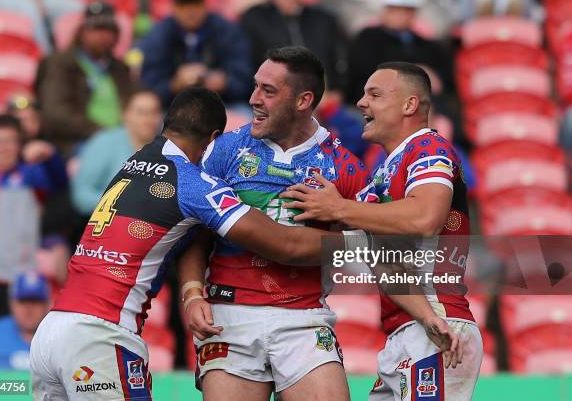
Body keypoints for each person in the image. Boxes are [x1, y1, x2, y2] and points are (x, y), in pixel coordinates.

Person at [32, 87, 439, 400]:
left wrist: (191, 292)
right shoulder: (192, 182)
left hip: (53, 330)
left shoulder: (134, 163)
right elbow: (283, 244)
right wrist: (355, 234)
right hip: (101, 333)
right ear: (212, 140)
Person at [180, 47, 461, 401]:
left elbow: (378, 250)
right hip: (228, 315)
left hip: (304, 318)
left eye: (268, 91)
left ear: (303, 100)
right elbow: (194, 232)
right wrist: (191, 294)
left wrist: (425, 314)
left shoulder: (342, 166)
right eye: (255, 87)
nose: (253, 99)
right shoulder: (224, 150)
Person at [281, 62, 482, 400]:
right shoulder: (381, 172)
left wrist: (339, 208)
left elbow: (426, 217)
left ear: (409, 105)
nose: (361, 102)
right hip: (413, 324)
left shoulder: (429, 148)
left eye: (374, 94)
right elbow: (381, 259)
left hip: (440, 323)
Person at [0, 114, 61, 338]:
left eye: (8, 141)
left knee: (4, 346)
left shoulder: (30, 175)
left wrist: (50, 154)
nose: (0, 148)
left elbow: (60, 182)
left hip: (13, 280)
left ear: (19, 146)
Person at [37, 0, 135, 157]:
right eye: (95, 29)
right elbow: (56, 114)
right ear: (81, 32)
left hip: (124, 139)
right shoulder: (60, 63)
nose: (102, 35)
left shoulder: (121, 69)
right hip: (77, 142)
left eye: (108, 29)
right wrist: (103, 133)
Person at [139, 0, 252, 108]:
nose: (190, 12)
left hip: (223, 105)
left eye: (196, 4)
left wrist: (225, 83)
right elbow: (148, 88)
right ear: (173, 7)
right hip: (173, 108)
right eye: (183, 5)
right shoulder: (159, 35)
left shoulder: (226, 31)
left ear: (205, 5)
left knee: (245, 116)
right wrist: (174, 84)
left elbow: (245, 79)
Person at [345, 0, 454, 104]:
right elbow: (364, 72)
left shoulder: (427, 45)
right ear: (385, 11)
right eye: (395, 9)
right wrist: (415, 72)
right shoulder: (367, 38)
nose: (400, 15)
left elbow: (444, 81)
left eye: (406, 10)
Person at [71, 89, 163, 217]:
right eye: (141, 113)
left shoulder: (167, 149)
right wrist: (123, 205)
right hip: (104, 224)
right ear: (125, 115)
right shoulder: (104, 143)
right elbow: (81, 196)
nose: (148, 119)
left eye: (154, 112)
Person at [239, 0, 347, 91]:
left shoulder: (324, 20)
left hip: (324, 100)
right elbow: (247, 66)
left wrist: (337, 91)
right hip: (273, 98)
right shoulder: (254, 19)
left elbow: (340, 62)